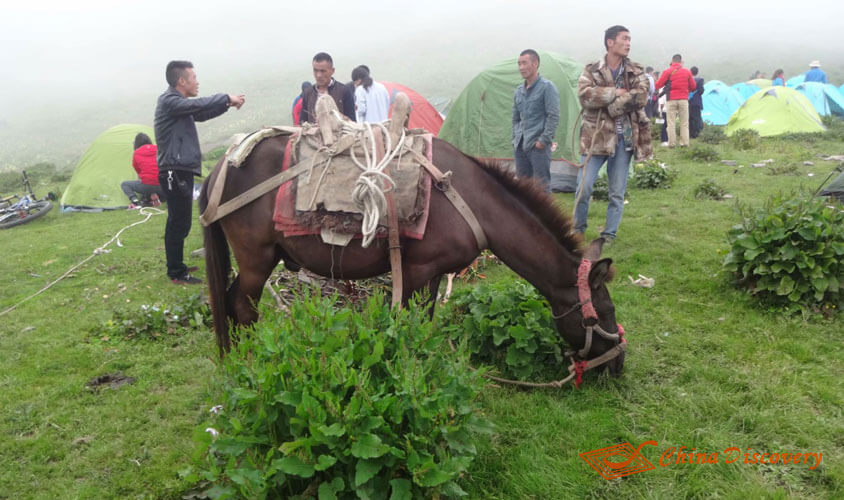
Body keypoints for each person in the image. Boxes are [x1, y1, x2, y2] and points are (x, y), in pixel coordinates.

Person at [154, 60, 245, 285]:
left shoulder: (179, 105)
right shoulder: (169, 101)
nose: (197, 82)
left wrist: (226, 105)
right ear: (181, 81)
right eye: (194, 77)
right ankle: (176, 272)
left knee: (180, 221)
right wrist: (226, 97)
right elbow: (199, 105)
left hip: (179, 169)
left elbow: (201, 112)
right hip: (173, 171)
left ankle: (177, 267)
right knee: (178, 222)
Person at [575, 25, 652, 242]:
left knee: (617, 192)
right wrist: (615, 92)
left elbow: (641, 97)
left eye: (629, 39)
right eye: (624, 39)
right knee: (584, 187)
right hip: (595, 138)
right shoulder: (592, 69)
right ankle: (578, 229)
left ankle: (609, 234)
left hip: (624, 139)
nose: (628, 43)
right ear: (610, 42)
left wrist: (611, 106)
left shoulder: (636, 70)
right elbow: (584, 96)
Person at [511, 49, 560, 192]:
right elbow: (515, 118)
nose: (521, 67)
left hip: (538, 146)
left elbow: (554, 116)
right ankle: (523, 215)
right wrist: (515, 138)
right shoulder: (519, 91)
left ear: (535, 63)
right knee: (523, 187)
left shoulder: (547, 87)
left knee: (541, 187)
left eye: (524, 63)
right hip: (520, 145)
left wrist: (543, 141)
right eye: (519, 64)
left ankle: (545, 215)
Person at [299, 52, 356, 124]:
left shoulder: (344, 91)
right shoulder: (308, 93)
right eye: (315, 70)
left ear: (332, 71)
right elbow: (302, 121)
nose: (318, 75)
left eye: (323, 71)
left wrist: (337, 117)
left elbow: (353, 122)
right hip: (314, 134)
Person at [655, 54, 696, 147]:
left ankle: (672, 143)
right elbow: (693, 87)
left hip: (671, 100)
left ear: (672, 61)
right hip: (684, 99)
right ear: (681, 61)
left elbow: (658, 85)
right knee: (684, 123)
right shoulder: (687, 72)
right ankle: (684, 143)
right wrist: (686, 90)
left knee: (670, 122)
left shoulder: (667, 71)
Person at [121, 133, 165, 209]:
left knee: (125, 184)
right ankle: (160, 197)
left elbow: (138, 170)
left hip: (146, 185)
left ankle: (135, 200)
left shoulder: (136, 153)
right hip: (162, 184)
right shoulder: (158, 148)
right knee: (155, 181)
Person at [688, 66, 704, 139]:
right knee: (697, 118)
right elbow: (701, 91)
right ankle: (697, 133)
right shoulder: (700, 80)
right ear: (697, 72)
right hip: (696, 101)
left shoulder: (687, 79)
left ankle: (690, 134)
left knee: (689, 118)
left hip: (688, 101)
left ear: (690, 72)